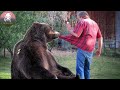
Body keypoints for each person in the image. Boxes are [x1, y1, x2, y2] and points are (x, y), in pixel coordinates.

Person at [59, 11, 103, 79]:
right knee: (87, 69)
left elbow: (77, 34)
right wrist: (99, 49)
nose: (78, 20)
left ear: (82, 17)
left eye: (78, 18)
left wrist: (69, 29)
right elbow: (100, 37)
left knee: (80, 69)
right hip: (90, 49)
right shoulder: (95, 23)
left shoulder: (83, 22)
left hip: (83, 48)